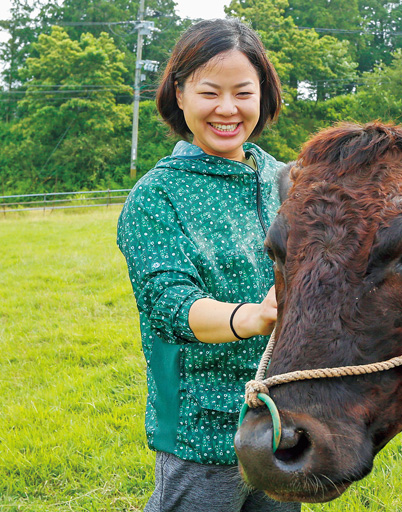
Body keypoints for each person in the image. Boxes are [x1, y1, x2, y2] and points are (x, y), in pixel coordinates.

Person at [117, 18, 300, 512]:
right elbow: (170, 306)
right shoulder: (157, 195)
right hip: (202, 431)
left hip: (284, 419)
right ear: (179, 94)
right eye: (209, 92)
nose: (227, 109)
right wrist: (255, 316)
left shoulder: (285, 180)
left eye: (242, 91)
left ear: (263, 93)